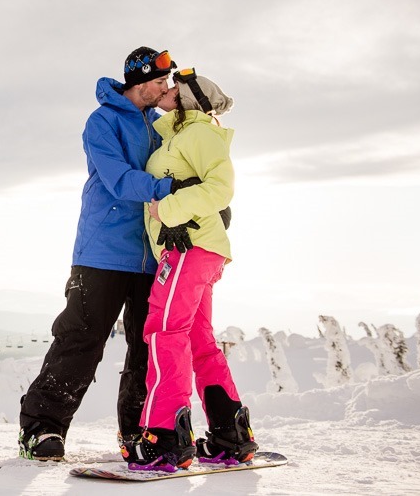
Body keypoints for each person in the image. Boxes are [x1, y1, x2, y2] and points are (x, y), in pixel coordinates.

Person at [18, 46, 197, 461]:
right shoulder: (102, 122)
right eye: (159, 81)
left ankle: (138, 433)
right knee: (81, 340)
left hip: (152, 254)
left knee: (145, 347)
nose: (165, 87)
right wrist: (171, 190)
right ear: (139, 82)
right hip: (102, 253)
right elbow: (118, 180)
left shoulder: (160, 125)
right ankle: (42, 429)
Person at [122, 68, 258, 472]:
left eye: (174, 86)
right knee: (198, 339)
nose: (166, 87)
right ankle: (230, 436)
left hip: (189, 246)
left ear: (188, 97)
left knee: (163, 331)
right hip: (192, 247)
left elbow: (221, 187)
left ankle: (164, 439)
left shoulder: (197, 133)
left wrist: (168, 210)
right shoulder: (178, 135)